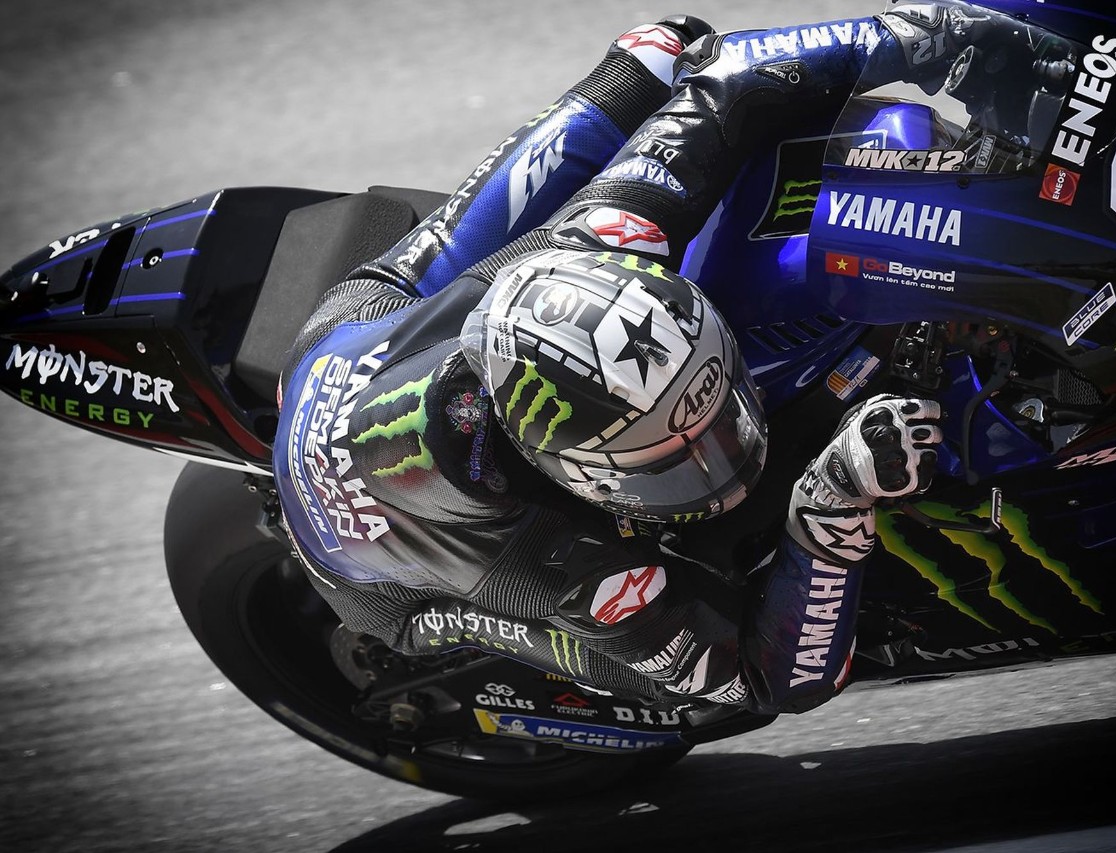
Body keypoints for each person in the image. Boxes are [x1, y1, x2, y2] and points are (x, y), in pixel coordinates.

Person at [273, 7, 973, 715]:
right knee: (692, 691)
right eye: (674, 456)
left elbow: (734, 79)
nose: (721, 450)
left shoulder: (601, 239)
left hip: (351, 333)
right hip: (369, 572)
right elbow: (768, 682)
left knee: (651, 59)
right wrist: (831, 508)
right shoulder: (555, 562)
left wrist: (928, 31)